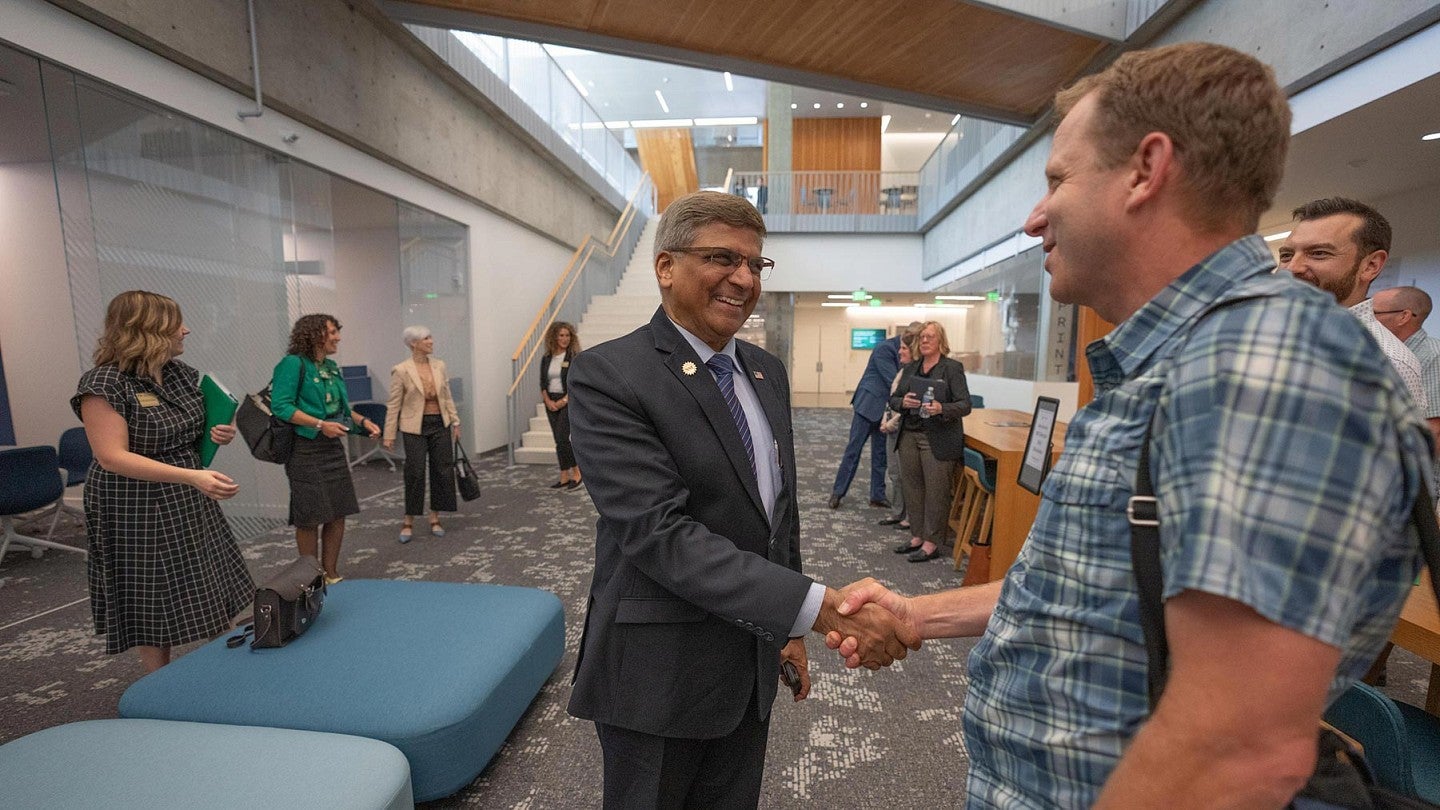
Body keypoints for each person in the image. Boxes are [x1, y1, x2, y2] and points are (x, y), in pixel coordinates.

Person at [826, 43, 1431, 806]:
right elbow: (1094, 591)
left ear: (1146, 170)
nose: (1033, 217)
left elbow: (1232, 748)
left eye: (1057, 180)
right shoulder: (1180, 361)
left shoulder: (1261, 361)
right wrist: (917, 613)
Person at [565, 190, 920, 808]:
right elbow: (660, 534)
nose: (744, 278)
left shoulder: (764, 369)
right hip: (658, 678)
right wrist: (820, 608)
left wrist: (789, 631)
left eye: (757, 265)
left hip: (747, 668)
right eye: (723, 258)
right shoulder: (609, 375)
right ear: (666, 267)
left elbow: (778, 515)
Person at [72, 290, 253, 672]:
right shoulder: (103, 384)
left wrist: (218, 432)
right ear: (148, 330)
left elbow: (192, 430)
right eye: (176, 324)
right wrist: (190, 476)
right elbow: (112, 457)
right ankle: (158, 683)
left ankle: (229, 662)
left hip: (186, 491)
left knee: (207, 575)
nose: (185, 330)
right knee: (152, 592)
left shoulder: (179, 375)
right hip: (133, 500)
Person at [1279, 197, 1427, 411]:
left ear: (1370, 266)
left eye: (1318, 253)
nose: (1292, 268)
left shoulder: (1388, 365)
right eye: (1286, 255)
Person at [269, 313, 380, 585]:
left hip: (331, 447)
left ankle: (330, 572)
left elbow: (340, 410)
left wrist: (363, 422)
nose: (338, 337)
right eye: (332, 332)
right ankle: (311, 576)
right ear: (314, 334)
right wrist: (319, 424)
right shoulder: (293, 364)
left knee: (337, 510)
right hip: (304, 449)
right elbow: (281, 406)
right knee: (309, 515)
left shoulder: (330, 366)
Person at [889, 321, 971, 562]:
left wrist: (941, 408)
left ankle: (931, 542)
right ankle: (917, 535)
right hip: (909, 436)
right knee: (912, 487)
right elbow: (894, 399)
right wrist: (904, 403)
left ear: (940, 341)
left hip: (938, 438)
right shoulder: (912, 368)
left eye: (930, 337)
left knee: (936, 491)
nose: (924, 341)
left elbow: (965, 404)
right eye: (922, 337)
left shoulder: (952, 368)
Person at [383, 325, 461, 543]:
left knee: (442, 470)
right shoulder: (401, 369)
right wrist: (388, 433)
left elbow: (446, 395)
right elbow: (393, 404)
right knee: (415, 471)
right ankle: (408, 520)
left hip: (440, 423)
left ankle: (435, 517)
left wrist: (455, 421)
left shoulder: (439, 366)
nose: (431, 341)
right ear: (413, 343)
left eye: (430, 337)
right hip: (414, 427)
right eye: (426, 338)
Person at [828, 325, 906, 511]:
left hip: (885, 413)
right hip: (867, 406)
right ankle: (838, 493)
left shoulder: (906, 351)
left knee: (881, 456)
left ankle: (877, 496)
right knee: (853, 451)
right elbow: (893, 380)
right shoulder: (884, 348)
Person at [878, 333, 917, 530]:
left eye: (904, 348)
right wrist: (885, 420)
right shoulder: (902, 372)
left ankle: (909, 516)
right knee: (894, 473)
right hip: (891, 427)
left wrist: (889, 424)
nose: (899, 351)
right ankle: (897, 512)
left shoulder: (915, 374)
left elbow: (907, 409)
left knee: (905, 475)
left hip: (901, 429)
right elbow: (893, 399)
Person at [539, 321, 582, 490]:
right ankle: (564, 475)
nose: (564, 339)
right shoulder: (547, 357)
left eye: (567, 335)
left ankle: (577, 473)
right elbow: (542, 383)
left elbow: (576, 383)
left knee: (564, 439)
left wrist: (563, 401)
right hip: (551, 401)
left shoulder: (573, 357)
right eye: (561, 335)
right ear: (554, 337)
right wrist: (548, 401)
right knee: (558, 441)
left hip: (567, 401)